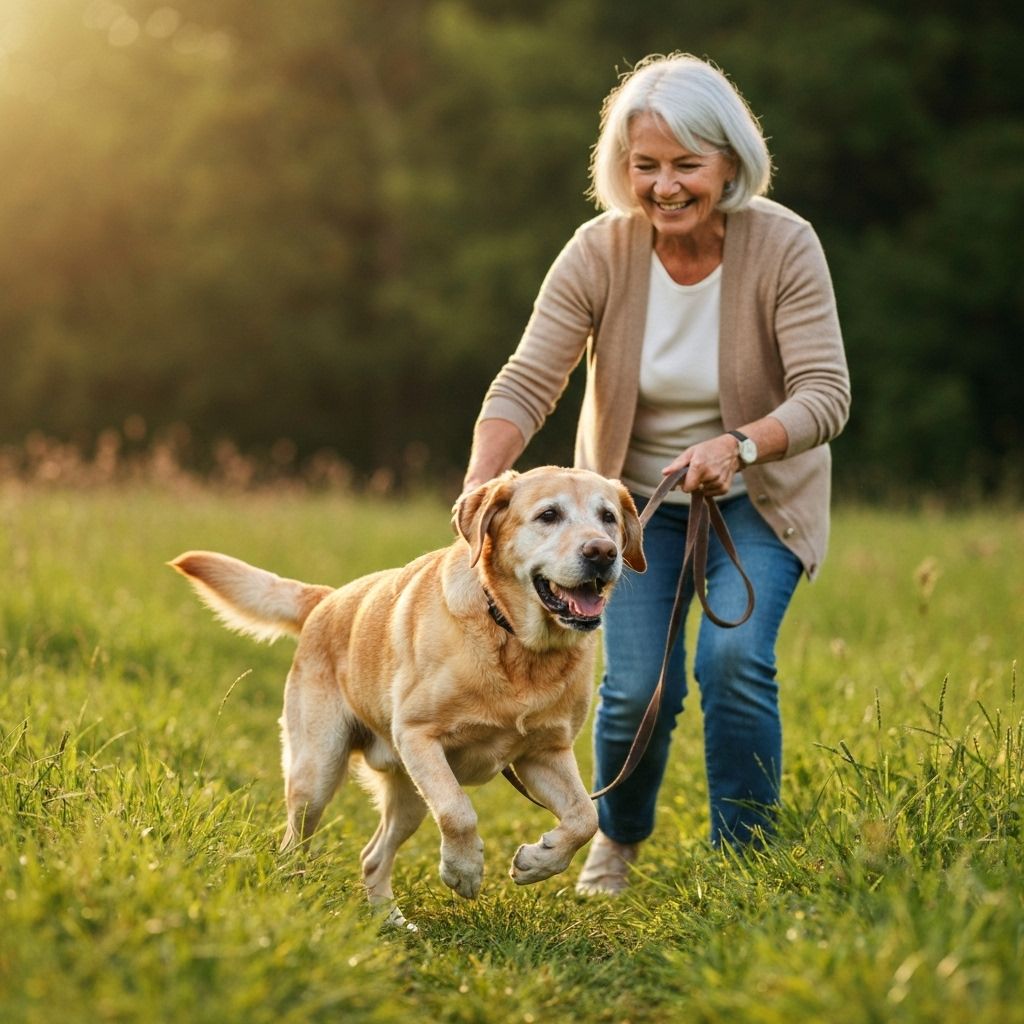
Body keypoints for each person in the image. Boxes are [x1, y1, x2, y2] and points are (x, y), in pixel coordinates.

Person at [461, 53, 850, 894]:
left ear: (730, 162)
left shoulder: (785, 246)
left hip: (759, 501)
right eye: (646, 166)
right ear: (621, 167)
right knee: (637, 689)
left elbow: (827, 393)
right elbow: (530, 378)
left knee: (734, 661)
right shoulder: (600, 250)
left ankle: (743, 860)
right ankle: (619, 837)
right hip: (624, 515)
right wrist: (482, 484)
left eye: (687, 164)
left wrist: (738, 446)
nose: (665, 186)